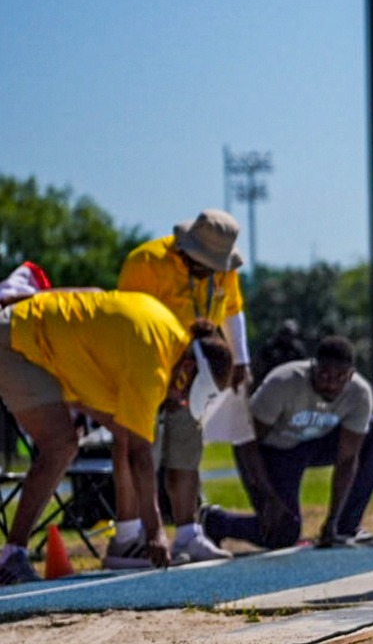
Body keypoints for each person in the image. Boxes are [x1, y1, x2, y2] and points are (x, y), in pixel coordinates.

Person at [0, 288, 231, 584]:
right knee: (61, 445)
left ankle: (124, 540)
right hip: (19, 343)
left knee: (117, 432)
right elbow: (139, 455)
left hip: (38, 340)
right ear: (187, 369)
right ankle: (12, 554)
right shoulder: (154, 365)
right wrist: (155, 531)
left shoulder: (168, 334)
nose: (181, 401)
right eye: (186, 393)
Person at [113, 208, 250, 566]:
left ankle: (188, 533)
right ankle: (129, 538)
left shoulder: (223, 270)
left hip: (194, 373)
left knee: (186, 452)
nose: (211, 270)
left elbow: (233, 310)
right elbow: (128, 323)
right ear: (187, 250)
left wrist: (240, 359)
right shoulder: (145, 262)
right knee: (139, 452)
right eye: (205, 262)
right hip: (148, 369)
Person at [203, 336, 373, 550]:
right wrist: (268, 497)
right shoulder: (284, 382)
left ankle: (344, 528)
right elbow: (246, 442)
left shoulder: (359, 393)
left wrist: (332, 519)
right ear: (313, 367)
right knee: (282, 532)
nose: (331, 384)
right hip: (274, 451)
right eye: (324, 375)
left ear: (351, 375)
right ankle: (214, 521)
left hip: (316, 443)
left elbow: (348, 460)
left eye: (340, 377)